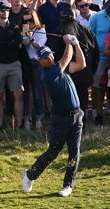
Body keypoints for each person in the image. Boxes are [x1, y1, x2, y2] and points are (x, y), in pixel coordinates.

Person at [22, 36, 85, 198]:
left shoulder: (59, 69)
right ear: (40, 62)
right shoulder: (48, 74)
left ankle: (68, 185)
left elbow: (81, 64)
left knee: (74, 152)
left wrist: (76, 44)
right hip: (61, 119)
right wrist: (68, 42)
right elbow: (67, 57)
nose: (48, 58)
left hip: (77, 116)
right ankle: (30, 174)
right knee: (53, 152)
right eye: (44, 57)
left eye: (49, 55)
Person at [0, 2, 24, 129]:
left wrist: (2, 43)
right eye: (2, 10)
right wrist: (9, 43)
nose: (5, 12)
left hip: (14, 64)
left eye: (7, 10)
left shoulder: (15, 28)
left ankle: (19, 124)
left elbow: (18, 46)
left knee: (18, 94)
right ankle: (0, 124)